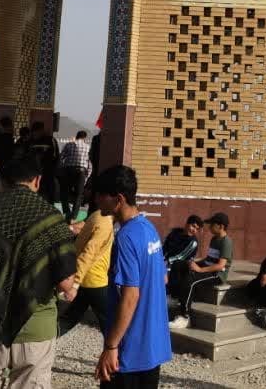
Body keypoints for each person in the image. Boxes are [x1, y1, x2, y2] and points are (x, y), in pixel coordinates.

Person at [0, 154, 74, 388]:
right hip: (35, 326)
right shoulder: (52, 219)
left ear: (2, 181)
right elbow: (65, 283)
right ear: (37, 180)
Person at [92, 165, 172, 388]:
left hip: (130, 352)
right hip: (152, 349)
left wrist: (111, 346)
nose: (96, 200)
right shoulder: (149, 228)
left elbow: (130, 296)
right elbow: (163, 278)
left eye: (101, 195)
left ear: (118, 199)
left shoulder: (125, 237)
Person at [169, 212, 233, 328]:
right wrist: (195, 263)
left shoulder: (226, 242)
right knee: (179, 265)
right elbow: (209, 259)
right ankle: (174, 296)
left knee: (190, 280)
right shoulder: (214, 239)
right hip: (208, 268)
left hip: (216, 274)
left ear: (221, 226)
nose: (209, 227)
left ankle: (184, 317)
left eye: (212, 224)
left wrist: (199, 269)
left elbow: (220, 265)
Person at [57, 206, 113, 336]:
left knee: (70, 317)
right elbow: (88, 254)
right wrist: (75, 285)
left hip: (87, 277)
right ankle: (116, 347)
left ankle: (49, 339)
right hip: (95, 279)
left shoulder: (97, 215)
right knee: (110, 322)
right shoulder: (104, 223)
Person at [162, 215, 203, 296]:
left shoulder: (193, 242)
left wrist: (165, 262)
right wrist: (160, 259)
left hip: (180, 268)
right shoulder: (174, 233)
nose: (194, 230)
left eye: (197, 229)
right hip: (167, 263)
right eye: (193, 226)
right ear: (187, 224)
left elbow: (181, 257)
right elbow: (164, 247)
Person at [58, 130, 91, 220]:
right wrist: (86, 177)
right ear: (84, 138)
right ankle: (74, 216)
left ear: (76, 136)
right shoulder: (88, 147)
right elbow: (90, 164)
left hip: (69, 170)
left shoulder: (69, 145)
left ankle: (66, 211)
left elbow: (61, 157)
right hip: (81, 171)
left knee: (64, 192)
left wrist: (62, 169)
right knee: (78, 195)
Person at [28, 122, 60, 204]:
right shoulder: (30, 141)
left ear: (42, 130)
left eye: (37, 132)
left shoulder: (50, 140)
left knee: (48, 195)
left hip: (48, 173)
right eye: (34, 132)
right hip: (34, 174)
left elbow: (56, 157)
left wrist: (54, 170)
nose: (35, 134)